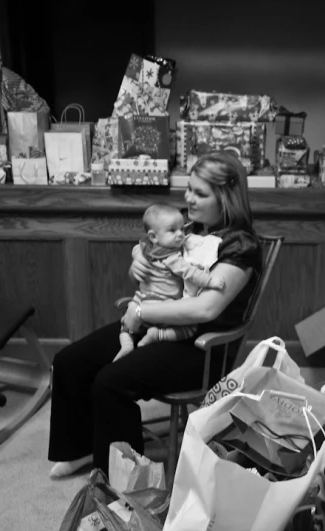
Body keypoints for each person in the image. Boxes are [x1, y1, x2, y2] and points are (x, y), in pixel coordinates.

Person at [48, 150, 262, 478]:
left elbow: (207, 307)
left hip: (202, 347)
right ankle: (82, 448)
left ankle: (127, 479)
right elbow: (149, 244)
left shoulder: (240, 247)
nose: (188, 198)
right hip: (157, 322)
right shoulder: (192, 229)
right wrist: (138, 256)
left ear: (226, 198)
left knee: (110, 382)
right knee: (69, 361)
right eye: (188, 188)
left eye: (200, 193)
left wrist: (141, 309)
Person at [115, 202, 225, 362]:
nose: (180, 234)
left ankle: (126, 344)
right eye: (173, 230)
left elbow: (137, 248)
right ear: (153, 236)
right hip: (163, 305)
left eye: (182, 228)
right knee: (190, 329)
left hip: (139, 301)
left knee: (125, 327)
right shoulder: (172, 257)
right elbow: (189, 272)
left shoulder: (148, 247)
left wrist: (136, 255)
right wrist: (210, 281)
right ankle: (157, 335)